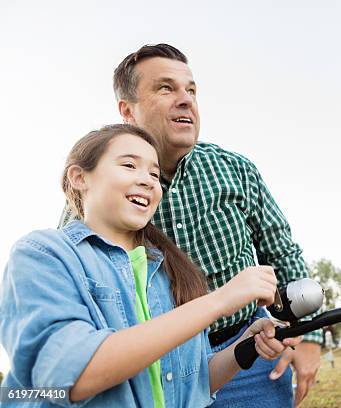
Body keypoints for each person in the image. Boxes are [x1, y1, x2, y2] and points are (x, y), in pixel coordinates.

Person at [60, 43, 322, 407]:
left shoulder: (236, 169)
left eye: (192, 90)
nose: (186, 100)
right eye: (166, 88)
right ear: (127, 111)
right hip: (157, 371)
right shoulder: (95, 201)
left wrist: (309, 337)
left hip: (249, 354)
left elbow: (282, 251)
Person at [0, 124, 301, 407]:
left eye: (154, 174)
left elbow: (192, 382)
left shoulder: (167, 272)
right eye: (129, 165)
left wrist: (243, 347)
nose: (147, 180)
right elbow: (70, 377)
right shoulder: (43, 254)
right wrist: (220, 301)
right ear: (80, 177)